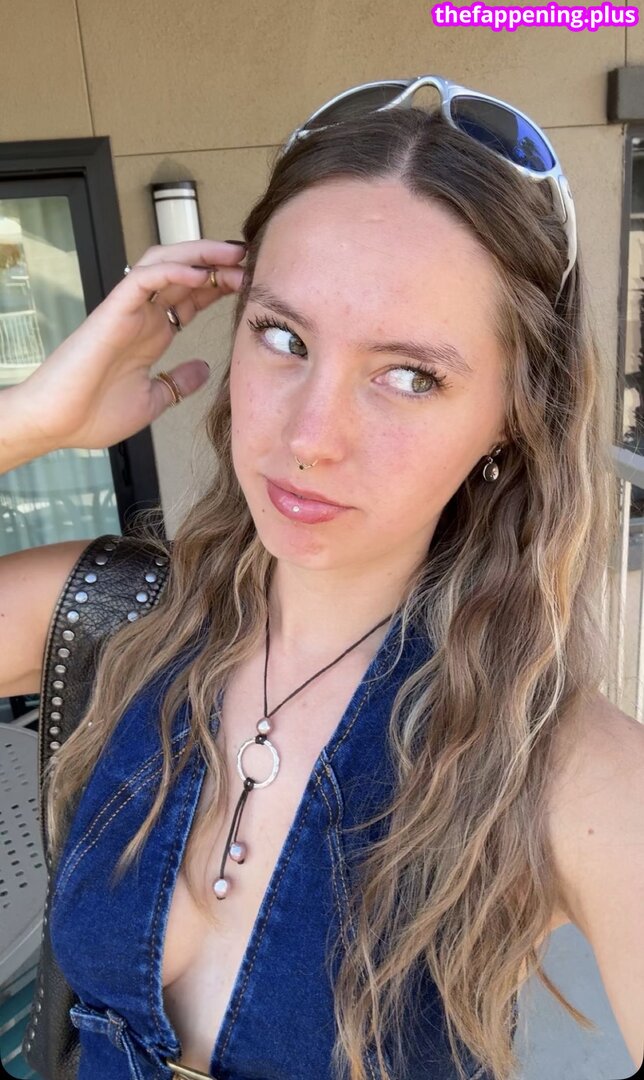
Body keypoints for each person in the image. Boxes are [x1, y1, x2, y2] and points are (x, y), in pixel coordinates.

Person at [1, 75, 643, 1080]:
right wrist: (31, 419)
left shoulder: (561, 771)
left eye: (409, 375)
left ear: (512, 419)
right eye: (283, 337)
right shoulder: (114, 617)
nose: (309, 436)